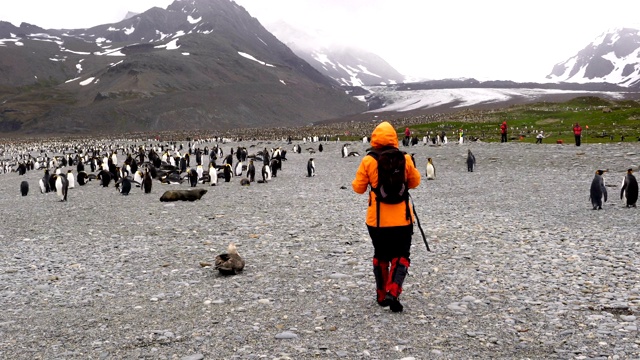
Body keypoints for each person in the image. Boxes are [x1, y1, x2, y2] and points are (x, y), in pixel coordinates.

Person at [352, 121, 421, 312]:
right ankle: (393, 290)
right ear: (394, 138)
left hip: (377, 220)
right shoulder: (405, 158)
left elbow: (358, 188)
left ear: (375, 138)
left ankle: (382, 295)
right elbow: (415, 182)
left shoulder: (368, 160)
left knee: (381, 254)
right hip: (403, 219)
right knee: (402, 254)